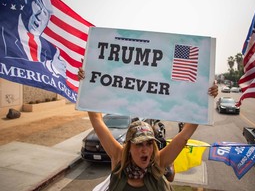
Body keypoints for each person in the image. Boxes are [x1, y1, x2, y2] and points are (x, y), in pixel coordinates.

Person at [78, 68, 218, 191]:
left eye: (149, 143)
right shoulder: (118, 157)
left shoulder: (159, 162)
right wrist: (87, 84)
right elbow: (97, 122)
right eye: (139, 144)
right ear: (129, 146)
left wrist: (206, 98)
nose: (145, 150)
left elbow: (184, 135)